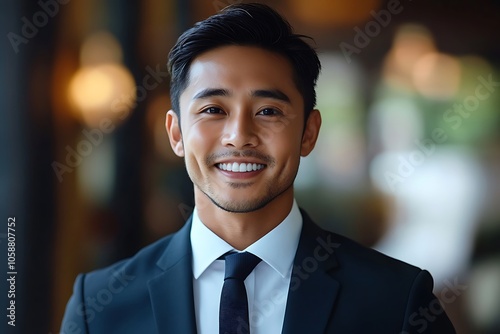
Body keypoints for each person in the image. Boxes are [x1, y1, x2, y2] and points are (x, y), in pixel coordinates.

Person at [61, 3, 456, 333]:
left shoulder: (398, 302)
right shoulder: (97, 309)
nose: (239, 136)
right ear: (176, 133)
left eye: (268, 111)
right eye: (213, 110)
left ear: (308, 132)